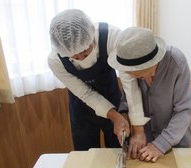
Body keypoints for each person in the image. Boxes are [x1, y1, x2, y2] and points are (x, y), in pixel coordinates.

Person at [48, 9, 148, 150]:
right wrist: (114, 117)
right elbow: (85, 93)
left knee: (118, 152)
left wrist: (138, 129)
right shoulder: (55, 60)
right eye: (75, 57)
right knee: (86, 158)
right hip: (82, 109)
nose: (82, 58)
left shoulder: (112, 37)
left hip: (113, 98)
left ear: (91, 32)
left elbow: (130, 82)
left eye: (85, 51)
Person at [108, 27, 191, 162]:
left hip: (175, 143)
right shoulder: (131, 69)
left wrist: (160, 145)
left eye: (137, 73)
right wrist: (124, 114)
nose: (131, 75)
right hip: (144, 144)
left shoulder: (176, 62)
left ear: (154, 61)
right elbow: (128, 96)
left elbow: (183, 112)